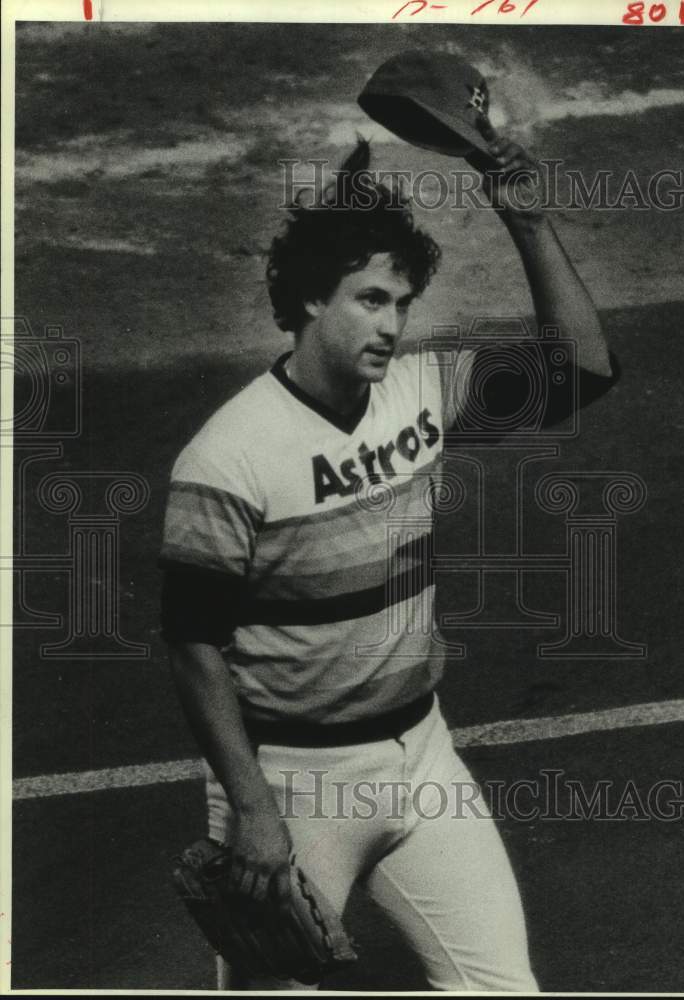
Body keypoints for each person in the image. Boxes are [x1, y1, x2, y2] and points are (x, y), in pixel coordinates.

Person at [160, 119, 616, 991]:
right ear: (306, 302)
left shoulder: (421, 391)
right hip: (290, 785)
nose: (392, 325)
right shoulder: (229, 457)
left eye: (402, 304)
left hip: (421, 758)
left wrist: (525, 223)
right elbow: (192, 643)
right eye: (371, 299)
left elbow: (582, 374)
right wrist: (252, 810)